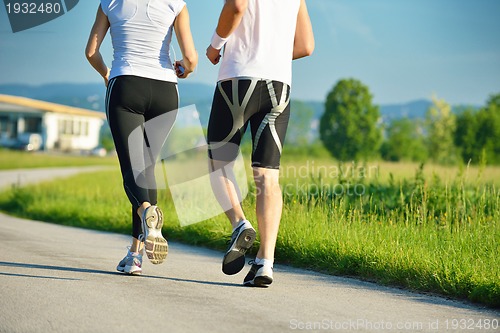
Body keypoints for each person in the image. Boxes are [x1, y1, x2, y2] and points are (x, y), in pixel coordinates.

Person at [206, 0, 314, 287]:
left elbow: (237, 5)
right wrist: (272, 55)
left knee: (218, 163)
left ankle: (240, 224)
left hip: (238, 78)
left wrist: (216, 46)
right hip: (279, 85)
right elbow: (306, 45)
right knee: (267, 175)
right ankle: (266, 262)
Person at [85, 0, 198, 275]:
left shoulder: (111, 3)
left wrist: (106, 74)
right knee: (147, 169)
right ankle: (134, 255)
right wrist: (184, 68)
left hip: (126, 85)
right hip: (165, 91)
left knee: (133, 172)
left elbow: (91, 52)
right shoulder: (176, 4)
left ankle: (147, 211)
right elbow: (191, 59)